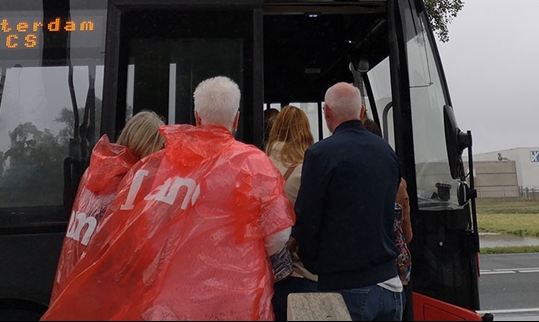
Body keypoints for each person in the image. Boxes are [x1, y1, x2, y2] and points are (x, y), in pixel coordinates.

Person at [42, 76, 295, 321]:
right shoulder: (255, 163)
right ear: (237, 119)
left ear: (197, 117)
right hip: (237, 301)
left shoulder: (169, 162)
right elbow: (278, 236)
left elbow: (150, 228)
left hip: (176, 301)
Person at [293, 82, 403, 321]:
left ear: (326, 112)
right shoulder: (386, 152)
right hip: (391, 286)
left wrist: (313, 263)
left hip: (345, 286)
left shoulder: (320, 155)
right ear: (362, 111)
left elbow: (307, 218)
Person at [48, 109, 165, 304]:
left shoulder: (94, 171)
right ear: (150, 148)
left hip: (73, 294)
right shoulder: (131, 185)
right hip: (104, 300)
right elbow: (132, 258)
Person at [266, 105, 319, 320]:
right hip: (300, 271)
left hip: (268, 271)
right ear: (305, 131)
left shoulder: (260, 164)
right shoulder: (308, 170)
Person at [362, 116, 413, 320]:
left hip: (357, 275)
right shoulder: (398, 184)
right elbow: (407, 234)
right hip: (393, 274)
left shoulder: (348, 177)